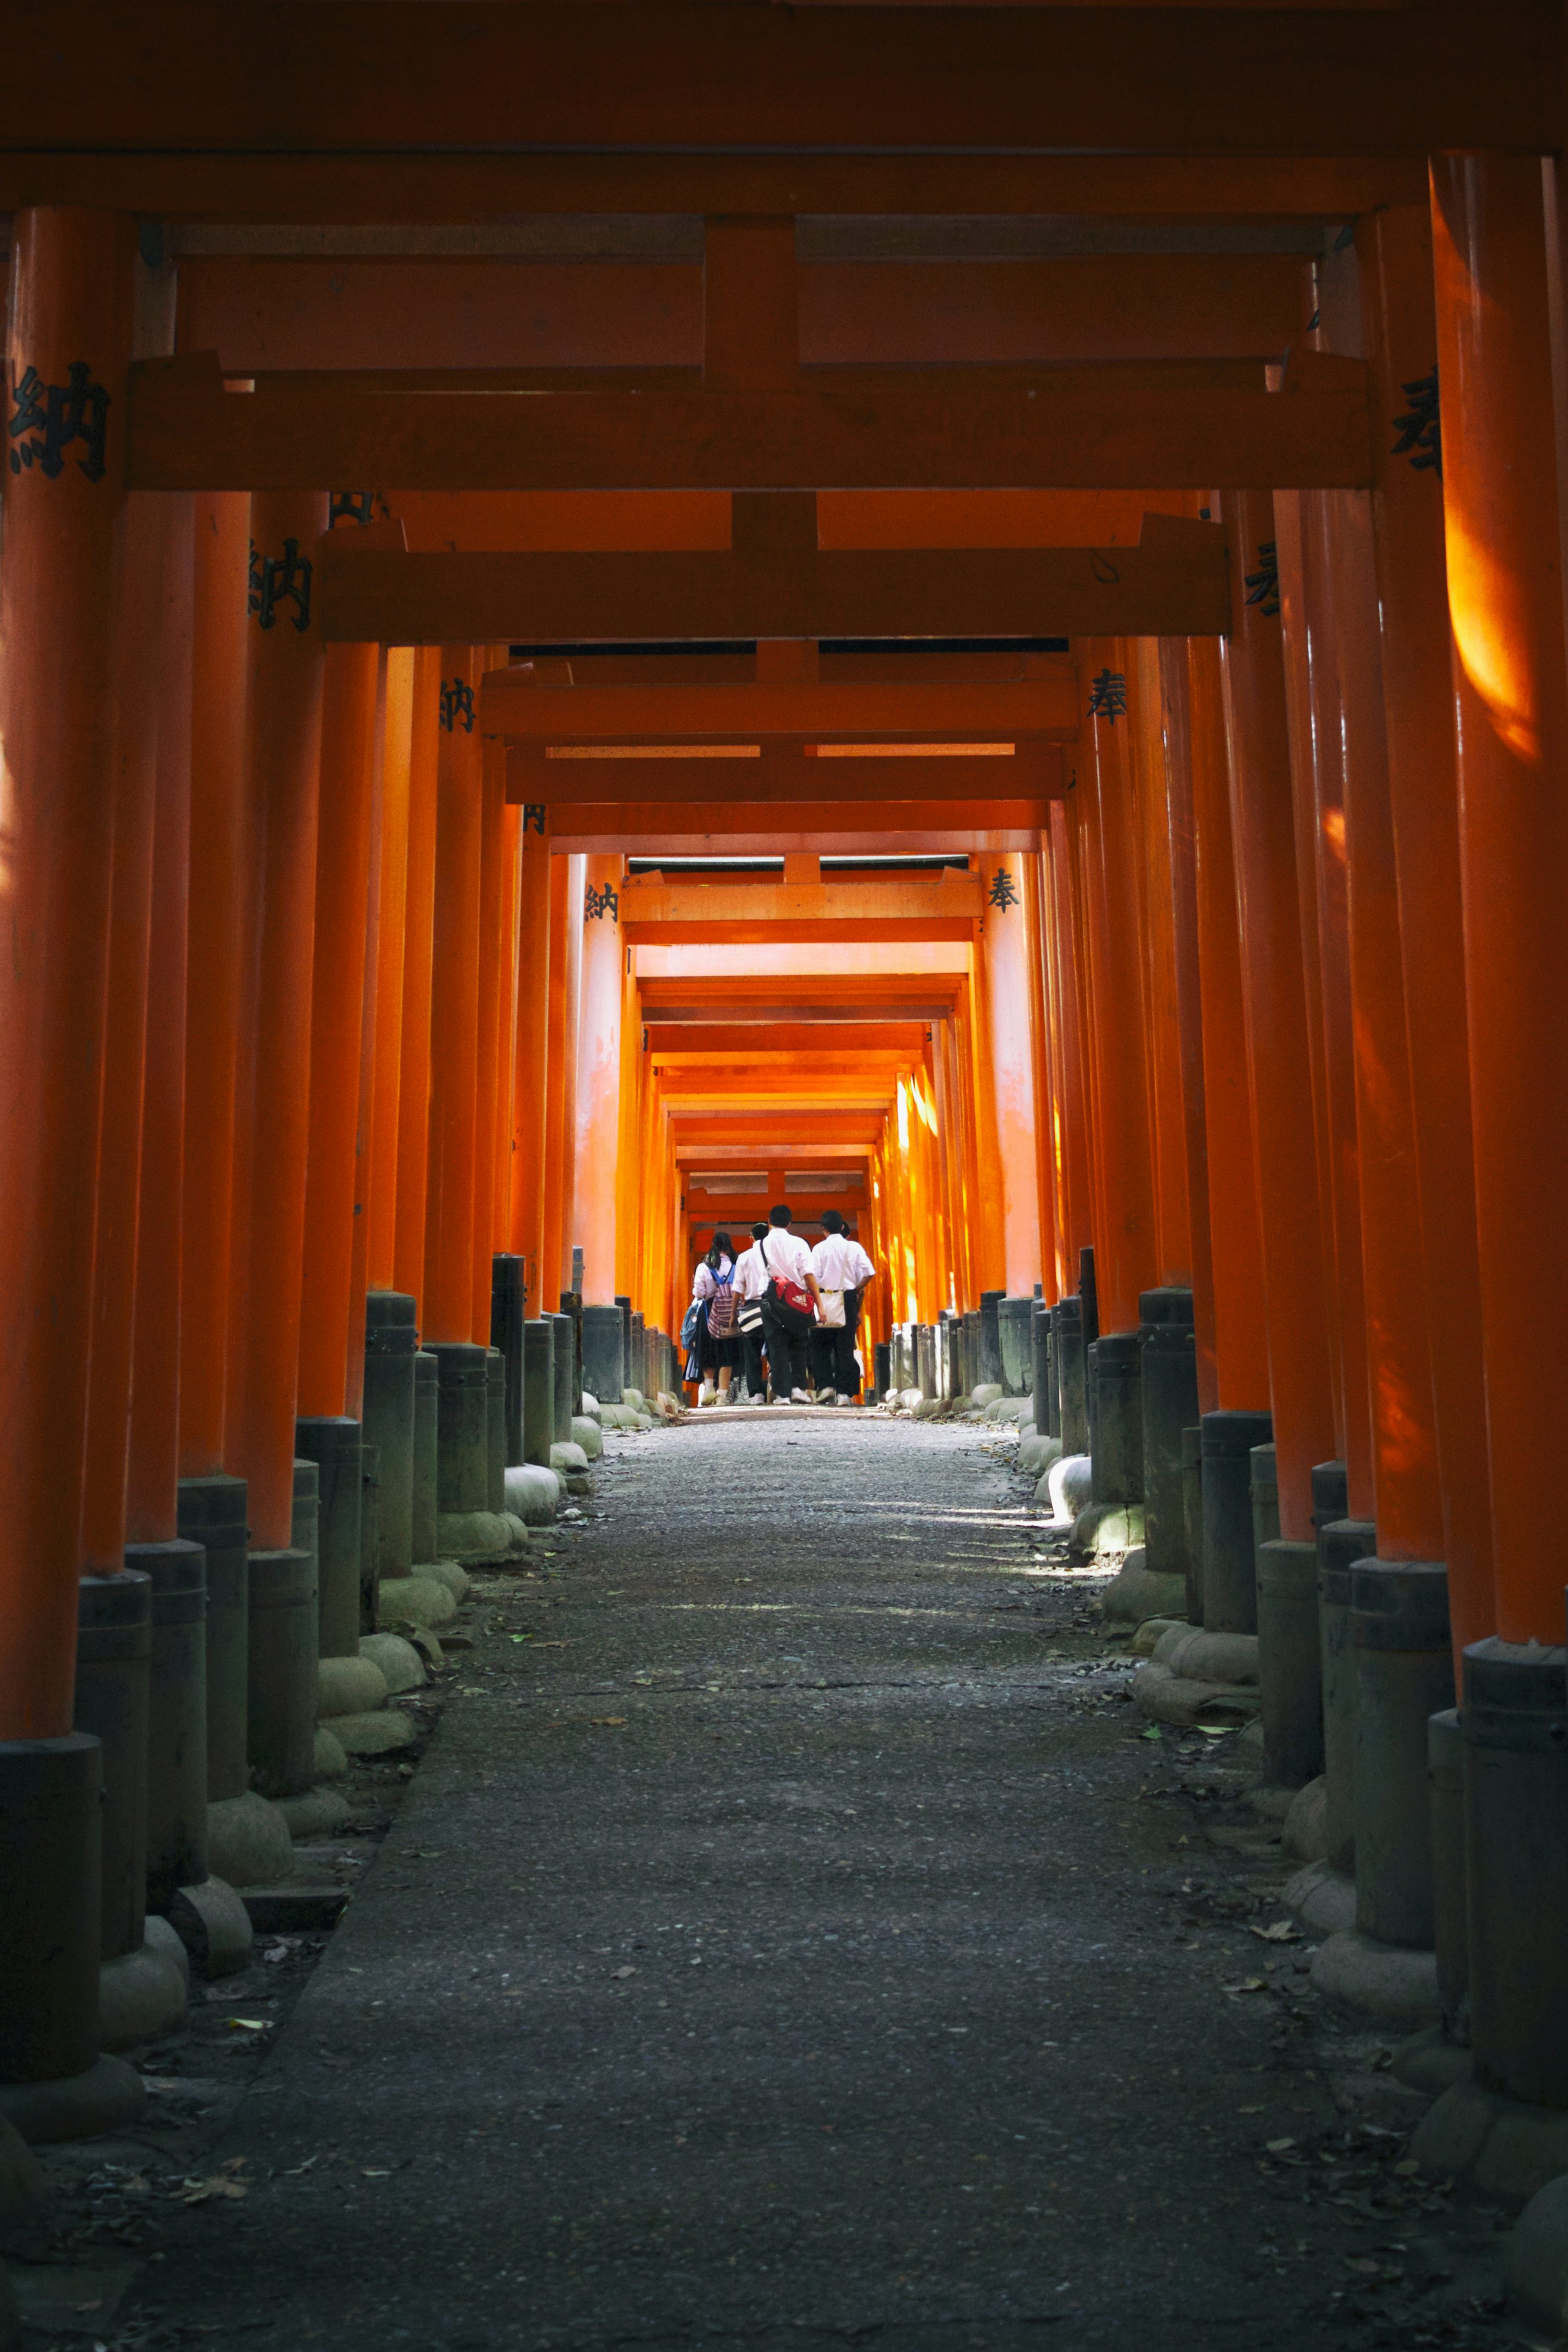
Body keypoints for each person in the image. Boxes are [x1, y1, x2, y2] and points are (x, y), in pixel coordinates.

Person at [757, 1204, 822, 1405]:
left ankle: (782, 1394)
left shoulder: (760, 1245)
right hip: (797, 1299)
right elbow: (808, 1274)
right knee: (799, 1344)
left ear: (769, 1222)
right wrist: (820, 1305)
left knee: (776, 1346)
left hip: (771, 1300)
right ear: (790, 1223)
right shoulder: (799, 1243)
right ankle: (799, 1388)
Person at [810, 1208, 877, 1402]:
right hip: (847, 1299)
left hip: (824, 1300)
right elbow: (869, 1272)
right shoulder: (854, 1248)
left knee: (820, 1346)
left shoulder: (819, 1249)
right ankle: (844, 1394)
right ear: (841, 1227)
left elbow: (812, 1277)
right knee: (845, 1348)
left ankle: (826, 1385)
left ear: (824, 1229)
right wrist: (856, 1290)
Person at [690, 1230, 740, 1404]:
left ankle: (709, 1389)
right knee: (727, 1352)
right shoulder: (736, 1266)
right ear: (729, 1247)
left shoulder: (704, 1267)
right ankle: (723, 1395)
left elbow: (699, 1292)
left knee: (707, 1349)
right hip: (730, 1313)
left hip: (709, 1312)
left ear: (713, 1245)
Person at [732, 1221, 771, 1401]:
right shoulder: (774, 1255)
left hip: (751, 1308)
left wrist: (734, 1314)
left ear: (751, 1238)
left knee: (752, 1353)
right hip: (773, 1307)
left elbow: (738, 1288)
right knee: (776, 1349)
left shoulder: (745, 1257)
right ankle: (778, 1388)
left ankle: (756, 1393)